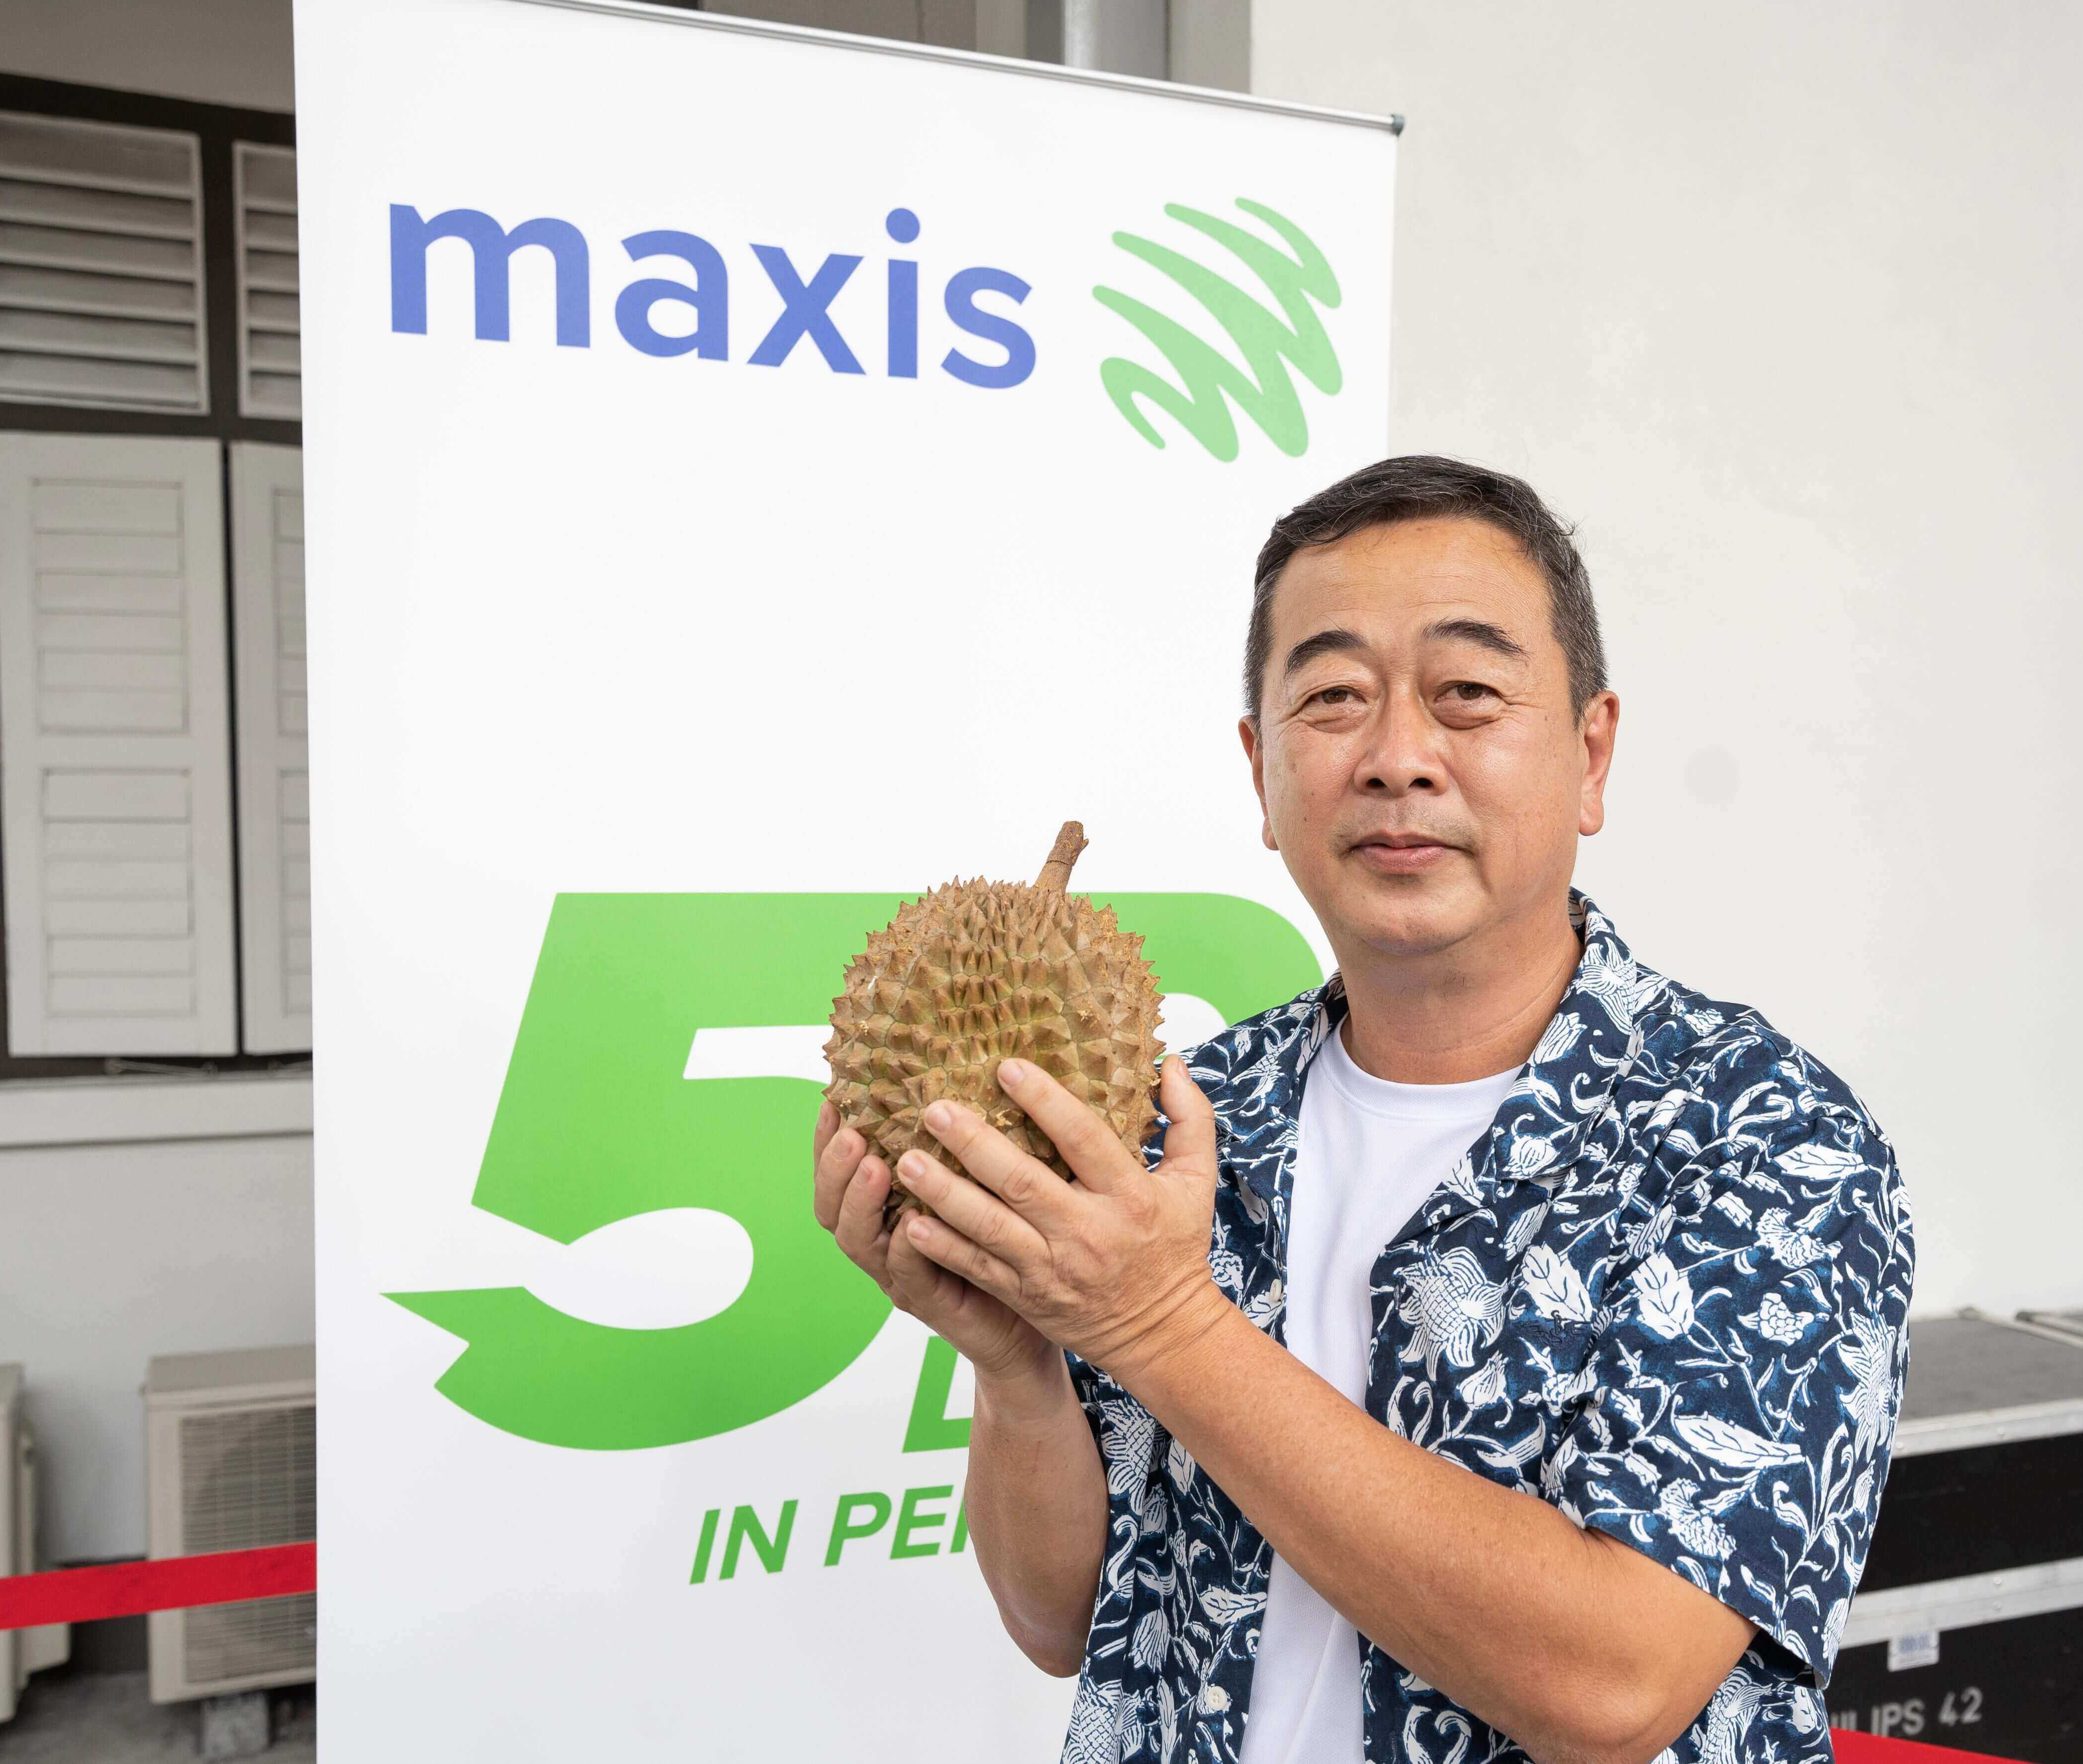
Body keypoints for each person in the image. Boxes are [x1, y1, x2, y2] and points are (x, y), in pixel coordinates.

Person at [814, 455, 1913, 1764]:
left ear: (1590, 753)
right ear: (1261, 770)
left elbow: (1615, 1682)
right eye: (1332, 698)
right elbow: (1066, 1616)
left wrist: (1160, 1320)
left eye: (1467, 695)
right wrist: (1019, 1361)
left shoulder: (1767, 1137)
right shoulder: (1180, 1117)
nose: (1399, 757)